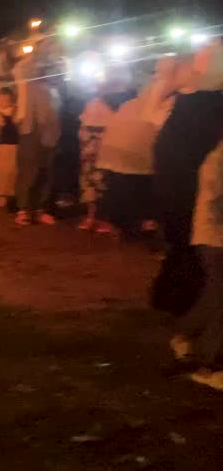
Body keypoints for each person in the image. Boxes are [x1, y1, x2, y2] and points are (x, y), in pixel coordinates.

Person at [151, 45, 223, 317]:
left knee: (182, 244)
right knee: (188, 246)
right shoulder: (207, 105)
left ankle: (172, 300)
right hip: (188, 188)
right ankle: (182, 305)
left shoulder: (188, 103)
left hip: (178, 185)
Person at [96, 58, 177, 243]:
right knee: (139, 189)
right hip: (138, 149)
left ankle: (124, 226)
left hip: (119, 148)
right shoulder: (166, 93)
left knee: (124, 188)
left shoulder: (139, 98)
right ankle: (142, 225)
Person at [174, 134, 223, 390]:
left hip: (214, 237)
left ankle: (184, 334)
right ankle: (209, 366)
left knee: (213, 296)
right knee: (219, 302)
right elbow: (217, 204)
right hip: (214, 239)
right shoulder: (217, 161)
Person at [78, 76, 136, 232]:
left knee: (103, 182)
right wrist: (85, 146)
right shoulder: (92, 103)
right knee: (89, 181)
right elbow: (83, 126)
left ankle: (105, 219)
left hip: (105, 147)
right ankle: (91, 216)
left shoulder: (118, 103)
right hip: (90, 147)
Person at [13, 52, 61, 226]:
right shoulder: (26, 85)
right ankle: (23, 209)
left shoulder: (54, 89)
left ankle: (40, 208)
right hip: (31, 132)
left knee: (46, 171)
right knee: (28, 171)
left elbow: (55, 113)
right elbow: (20, 112)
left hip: (50, 134)